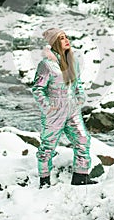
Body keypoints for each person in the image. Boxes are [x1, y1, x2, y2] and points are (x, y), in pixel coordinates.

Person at [31, 27, 97, 188]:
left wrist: (80, 97)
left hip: (72, 108)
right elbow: (37, 89)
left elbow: (77, 84)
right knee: (48, 146)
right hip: (55, 109)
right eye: (61, 38)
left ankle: (80, 177)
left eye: (66, 36)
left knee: (82, 139)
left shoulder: (72, 61)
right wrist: (48, 107)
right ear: (54, 42)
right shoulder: (46, 65)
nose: (66, 40)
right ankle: (45, 181)